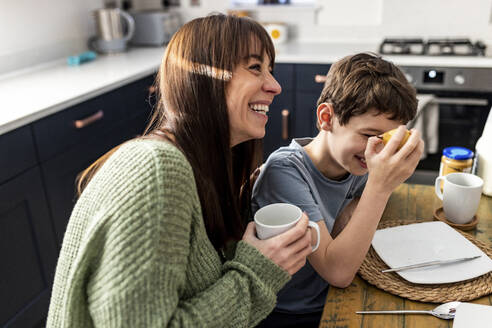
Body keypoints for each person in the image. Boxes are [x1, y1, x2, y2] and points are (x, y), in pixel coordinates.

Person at [46, 14, 314, 328]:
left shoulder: (208, 171)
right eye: (255, 68)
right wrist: (258, 272)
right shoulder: (157, 169)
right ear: (201, 78)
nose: (275, 86)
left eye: (271, 70)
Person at [252, 53, 425, 327]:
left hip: (331, 297)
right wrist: (379, 187)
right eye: (368, 135)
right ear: (326, 118)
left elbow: (360, 208)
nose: (376, 151)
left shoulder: (354, 162)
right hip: (287, 313)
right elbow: (337, 271)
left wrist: (353, 210)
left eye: (388, 139)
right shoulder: (284, 171)